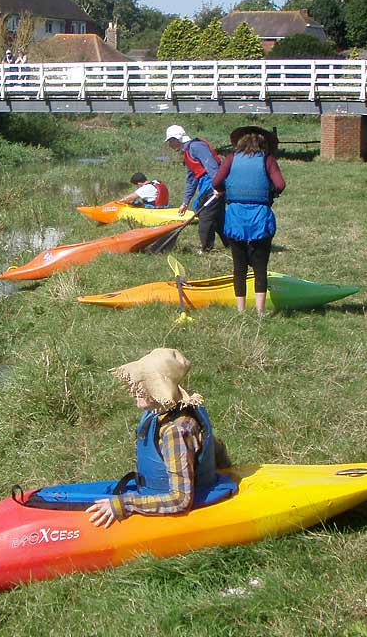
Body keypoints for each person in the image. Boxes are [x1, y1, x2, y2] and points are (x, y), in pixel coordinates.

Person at [86, 348, 234, 528]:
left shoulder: (175, 432)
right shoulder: (161, 412)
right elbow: (216, 447)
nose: (134, 388)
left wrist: (123, 504)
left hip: (182, 503)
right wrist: (225, 469)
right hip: (152, 489)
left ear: (159, 389)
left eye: (143, 383)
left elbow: (180, 500)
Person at [212, 126, 286, 316]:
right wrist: (270, 191)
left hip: (236, 217)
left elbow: (216, 182)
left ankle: (241, 310)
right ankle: (260, 312)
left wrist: (225, 188)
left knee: (239, 268)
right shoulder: (268, 160)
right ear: (264, 143)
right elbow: (280, 185)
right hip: (260, 218)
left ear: (239, 142)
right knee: (260, 267)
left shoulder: (231, 159)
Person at [165, 124, 227, 253]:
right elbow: (191, 179)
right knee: (218, 218)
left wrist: (218, 186)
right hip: (209, 187)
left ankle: (206, 249)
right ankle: (231, 244)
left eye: (170, 142)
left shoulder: (196, 146)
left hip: (213, 186)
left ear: (175, 139)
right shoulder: (187, 152)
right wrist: (185, 202)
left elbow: (212, 165)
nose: (169, 145)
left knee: (205, 216)